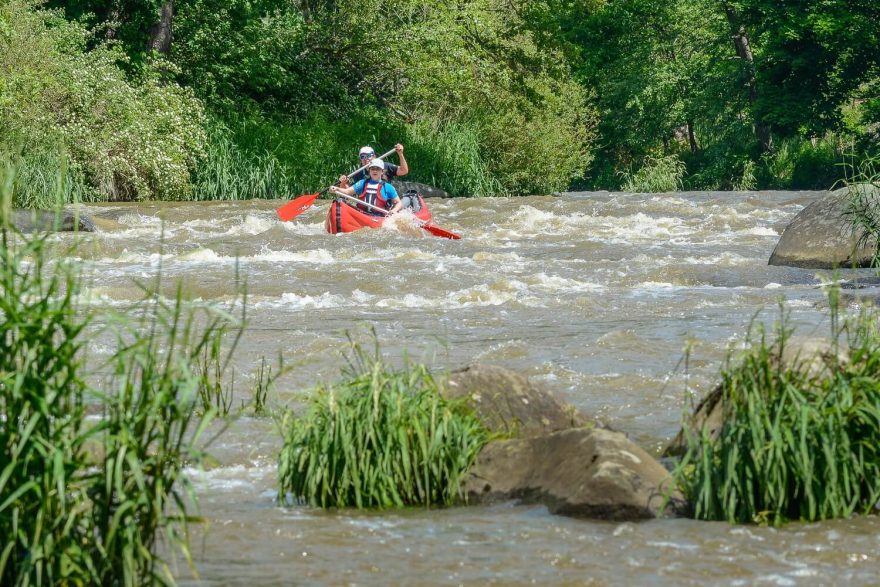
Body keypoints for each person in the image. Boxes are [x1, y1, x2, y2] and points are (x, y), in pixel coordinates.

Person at [330, 158, 403, 215]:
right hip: (362, 214)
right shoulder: (362, 183)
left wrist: (393, 211)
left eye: (377, 169)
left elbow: (399, 203)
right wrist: (336, 189)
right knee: (339, 202)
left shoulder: (388, 187)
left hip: (379, 216)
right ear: (369, 171)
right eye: (372, 169)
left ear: (382, 172)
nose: (375, 171)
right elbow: (347, 191)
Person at [339, 143, 408, 188]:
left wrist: (400, 154)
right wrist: (343, 184)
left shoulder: (385, 166)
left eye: (368, 156)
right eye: (362, 157)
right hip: (365, 204)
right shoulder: (358, 173)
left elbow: (404, 171)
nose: (366, 159)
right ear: (360, 159)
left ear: (374, 157)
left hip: (384, 204)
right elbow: (349, 191)